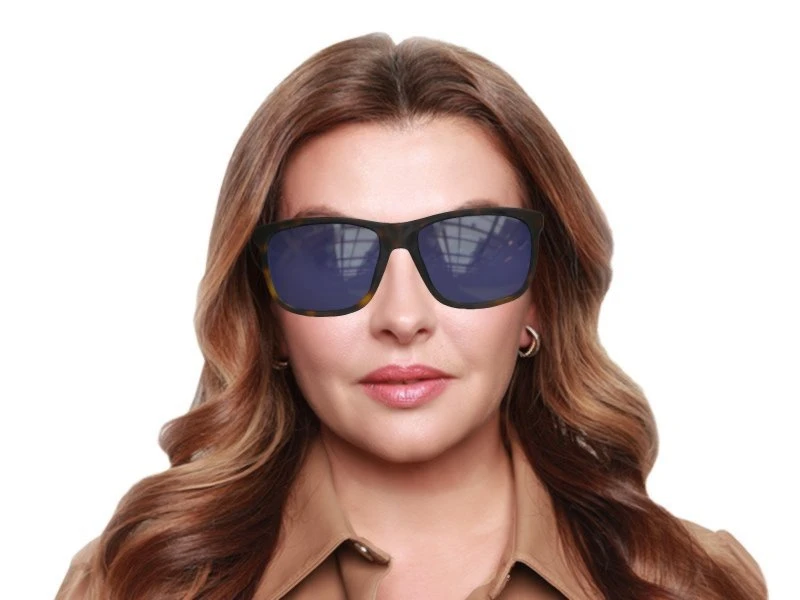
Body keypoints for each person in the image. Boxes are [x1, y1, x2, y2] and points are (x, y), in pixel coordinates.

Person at [56, 32, 767, 599]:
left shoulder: (690, 584)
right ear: (266, 310)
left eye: (471, 251)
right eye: (330, 256)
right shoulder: (138, 583)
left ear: (541, 296)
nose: (402, 318)